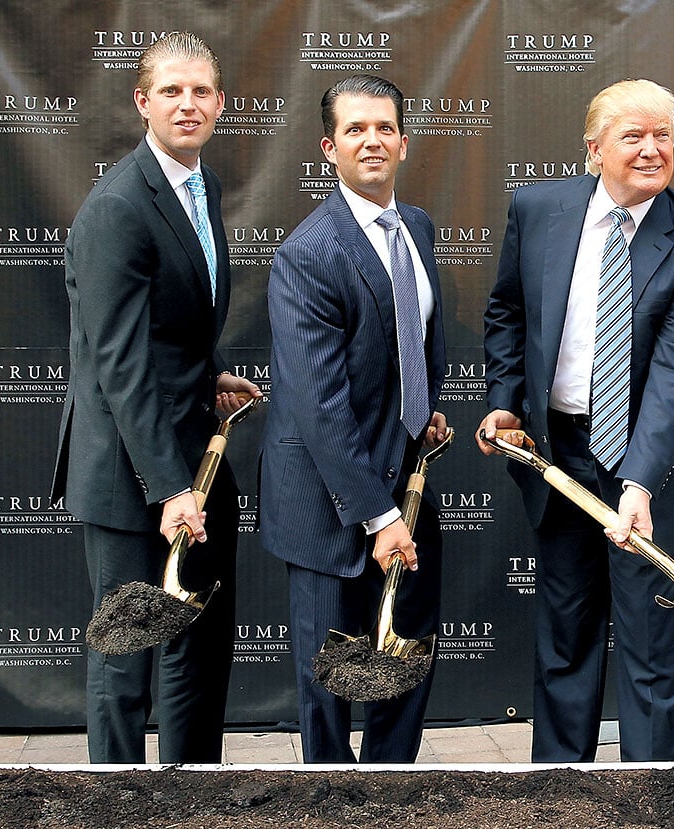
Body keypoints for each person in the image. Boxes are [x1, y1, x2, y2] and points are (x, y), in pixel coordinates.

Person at [477, 79, 674, 762]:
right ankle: (561, 792)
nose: (653, 150)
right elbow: (507, 312)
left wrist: (640, 485)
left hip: (657, 464)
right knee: (564, 635)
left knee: (654, 644)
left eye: (664, 137)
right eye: (635, 136)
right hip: (559, 455)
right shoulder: (538, 211)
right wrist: (504, 399)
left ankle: (652, 795)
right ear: (594, 150)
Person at [51, 31, 262, 764]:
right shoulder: (118, 206)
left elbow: (170, 328)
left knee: (195, 649)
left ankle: (189, 794)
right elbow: (118, 361)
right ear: (143, 102)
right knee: (126, 654)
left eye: (201, 91)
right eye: (172, 90)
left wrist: (210, 376)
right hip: (130, 476)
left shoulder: (196, 189)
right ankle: (115, 803)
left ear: (221, 104)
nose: (188, 103)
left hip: (190, 459)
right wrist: (170, 485)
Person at [258, 74, 449, 764]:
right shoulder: (308, 253)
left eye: (384, 128)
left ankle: (390, 786)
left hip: (407, 480)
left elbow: (415, 338)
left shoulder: (417, 227)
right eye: (355, 130)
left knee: (410, 649)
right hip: (328, 503)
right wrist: (379, 515)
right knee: (330, 679)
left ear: (403, 140)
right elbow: (319, 405)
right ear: (328, 148)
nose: (372, 140)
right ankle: (332, 800)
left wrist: (423, 412)